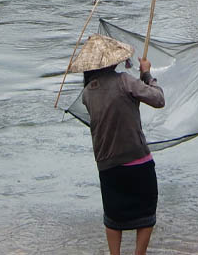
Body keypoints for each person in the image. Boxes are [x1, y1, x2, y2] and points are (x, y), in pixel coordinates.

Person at [72, 34, 165, 255]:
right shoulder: (124, 81)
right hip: (137, 160)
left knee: (114, 216)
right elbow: (158, 99)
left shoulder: (87, 94)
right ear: (113, 61)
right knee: (146, 213)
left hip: (107, 165)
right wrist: (146, 74)